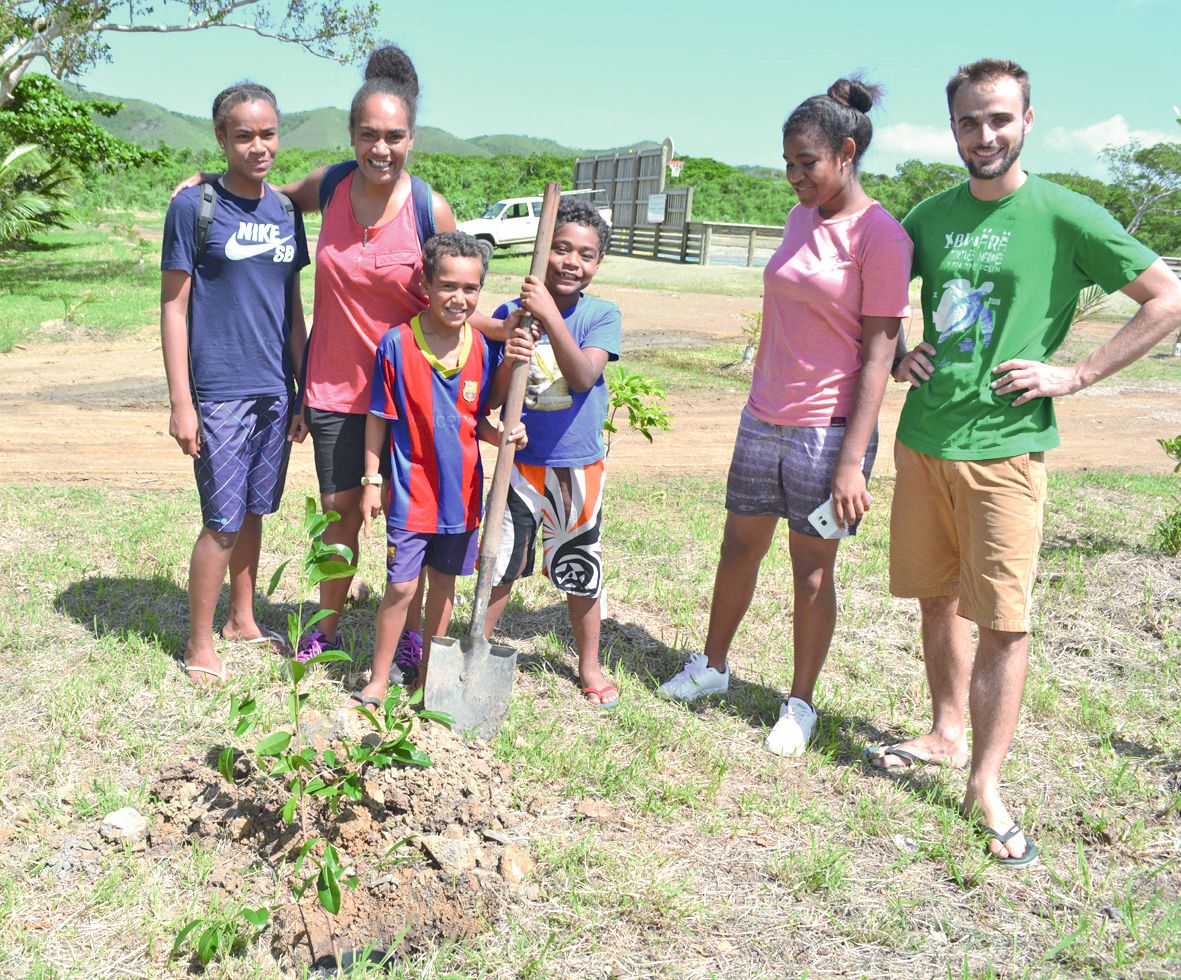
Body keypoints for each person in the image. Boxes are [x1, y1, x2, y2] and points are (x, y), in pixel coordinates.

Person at [864, 59, 1181, 867]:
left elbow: (1166, 297)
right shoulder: (929, 216)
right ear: (953, 129)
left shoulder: (1064, 214)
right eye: (969, 121)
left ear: (1027, 121)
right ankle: (941, 731)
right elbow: (873, 297)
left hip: (1006, 451)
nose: (984, 135)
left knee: (1002, 622)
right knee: (935, 600)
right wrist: (902, 351)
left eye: (999, 119)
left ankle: (985, 782)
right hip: (923, 441)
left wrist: (1073, 374)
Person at [172, 45, 504, 674]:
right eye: (369, 135)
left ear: (412, 139)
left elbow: (456, 298)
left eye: (395, 136)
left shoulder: (430, 208)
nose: (382, 148)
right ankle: (326, 623)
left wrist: (510, 325)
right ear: (351, 136)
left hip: (413, 389)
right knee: (340, 515)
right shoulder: (330, 186)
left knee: (413, 520)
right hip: (332, 385)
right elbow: (265, 195)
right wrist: (207, 184)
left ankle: (408, 635)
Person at [657, 78, 913, 755]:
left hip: (826, 432)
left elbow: (879, 350)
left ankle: (798, 704)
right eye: (788, 164)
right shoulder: (800, 216)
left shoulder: (881, 235)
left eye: (808, 163)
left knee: (811, 571)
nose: (795, 176)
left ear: (846, 153)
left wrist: (853, 462)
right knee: (737, 546)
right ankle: (710, 666)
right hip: (762, 415)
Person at [160, 81, 309, 686]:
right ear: (221, 137)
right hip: (218, 389)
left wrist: (300, 391)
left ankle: (242, 620)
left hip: (275, 389)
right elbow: (173, 309)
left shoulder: (286, 212)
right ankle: (200, 644)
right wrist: (181, 402)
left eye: (267, 133)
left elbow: (293, 309)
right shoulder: (194, 209)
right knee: (221, 519)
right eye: (243, 135)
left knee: (253, 510)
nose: (257, 146)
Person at [352, 232, 528, 709]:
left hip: (462, 496)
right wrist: (372, 480)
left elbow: (477, 421)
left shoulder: (483, 350)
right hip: (410, 492)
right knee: (402, 586)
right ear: (426, 284)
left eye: (470, 289)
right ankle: (379, 678)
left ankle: (429, 677)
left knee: (444, 587)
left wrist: (505, 435)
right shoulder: (397, 344)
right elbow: (378, 419)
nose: (459, 298)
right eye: (448, 285)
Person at [481, 198, 624, 708]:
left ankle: (589, 665)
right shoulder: (509, 315)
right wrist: (512, 350)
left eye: (585, 254)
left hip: (576, 465)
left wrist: (548, 315)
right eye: (560, 248)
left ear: (598, 264)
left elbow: (584, 376)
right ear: (542, 253)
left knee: (579, 566)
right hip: (518, 464)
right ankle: (478, 646)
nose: (570, 261)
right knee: (501, 559)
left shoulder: (602, 315)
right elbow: (495, 396)